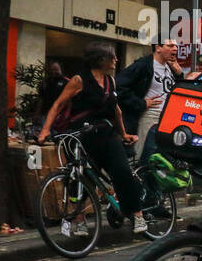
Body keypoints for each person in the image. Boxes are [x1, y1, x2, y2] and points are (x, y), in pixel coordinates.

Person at [38, 41, 149, 235]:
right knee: (76, 178)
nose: (116, 59)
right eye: (112, 56)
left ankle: (137, 215)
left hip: (106, 135)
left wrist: (123, 135)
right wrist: (45, 130)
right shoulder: (79, 80)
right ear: (100, 59)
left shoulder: (110, 81)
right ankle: (79, 220)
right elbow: (57, 105)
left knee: (122, 172)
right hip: (80, 136)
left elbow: (117, 112)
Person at [117, 39, 184, 160]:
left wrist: (179, 75)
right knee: (141, 154)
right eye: (170, 45)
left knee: (158, 157)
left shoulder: (170, 67)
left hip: (167, 119)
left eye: (176, 45)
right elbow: (119, 86)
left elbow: (176, 91)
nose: (175, 48)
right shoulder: (143, 65)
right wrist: (141, 103)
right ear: (158, 48)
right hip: (149, 117)